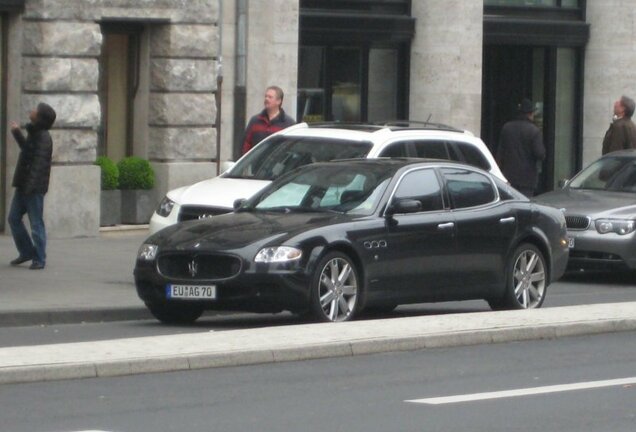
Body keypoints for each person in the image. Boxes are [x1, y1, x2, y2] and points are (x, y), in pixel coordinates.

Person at [8, 102, 56, 270]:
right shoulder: (35, 133)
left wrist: (29, 188)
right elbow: (27, 150)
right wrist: (16, 133)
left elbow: (38, 166)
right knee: (13, 219)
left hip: (33, 188)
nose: (32, 110)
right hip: (24, 185)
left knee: (36, 223)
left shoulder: (43, 137)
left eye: (36, 110)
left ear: (40, 117)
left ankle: (40, 258)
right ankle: (27, 251)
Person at [496, 98, 546, 197]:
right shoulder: (534, 131)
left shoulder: (507, 128)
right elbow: (540, 154)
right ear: (530, 114)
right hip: (527, 180)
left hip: (508, 176)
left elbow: (500, 153)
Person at [241, 85, 295, 155]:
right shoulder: (255, 121)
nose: (266, 99)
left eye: (270, 97)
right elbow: (246, 143)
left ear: (278, 101)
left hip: (277, 164)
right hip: (256, 164)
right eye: (266, 96)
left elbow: (291, 147)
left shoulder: (288, 123)